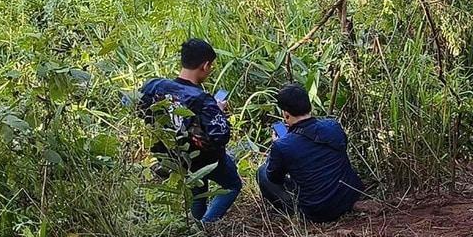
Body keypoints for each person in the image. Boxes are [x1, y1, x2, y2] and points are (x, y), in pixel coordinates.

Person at [137, 38, 240, 224]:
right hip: (204, 158)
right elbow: (221, 136)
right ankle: (206, 224)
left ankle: (194, 222)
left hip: (172, 155)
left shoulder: (155, 86)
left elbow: (136, 107)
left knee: (197, 187)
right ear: (205, 65)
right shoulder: (202, 100)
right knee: (232, 185)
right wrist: (218, 110)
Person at [257, 83, 364, 222]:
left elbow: (274, 178)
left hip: (317, 212)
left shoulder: (283, 145)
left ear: (286, 114)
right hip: (349, 197)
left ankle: (292, 211)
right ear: (309, 106)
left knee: (262, 172)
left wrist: (277, 147)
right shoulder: (333, 126)